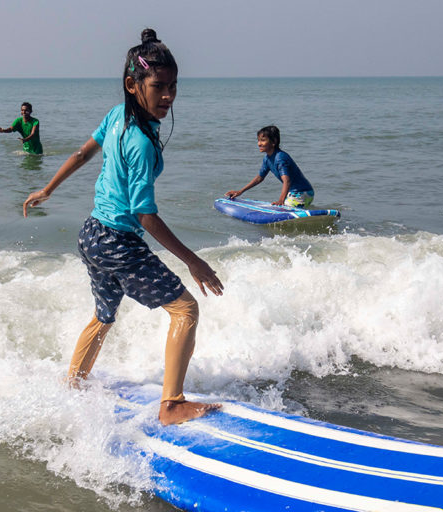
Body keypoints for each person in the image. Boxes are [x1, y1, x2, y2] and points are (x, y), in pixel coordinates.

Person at [22, 29, 223, 426]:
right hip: (117, 241)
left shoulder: (117, 116)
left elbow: (83, 153)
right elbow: (144, 213)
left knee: (103, 316)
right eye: (158, 87)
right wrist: (193, 261)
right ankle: (172, 404)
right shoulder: (143, 143)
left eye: (173, 86)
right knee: (185, 309)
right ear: (133, 85)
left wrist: (48, 189)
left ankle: (74, 386)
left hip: (91, 235)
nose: (168, 96)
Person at [226, 125, 314, 207]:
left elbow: (287, 181)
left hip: (302, 192)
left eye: (263, 140)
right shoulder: (267, 158)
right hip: (294, 192)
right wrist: (240, 191)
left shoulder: (280, 158)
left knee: (283, 210)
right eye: (258, 140)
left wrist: (281, 200)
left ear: (274, 141)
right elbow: (259, 178)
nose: (259, 144)